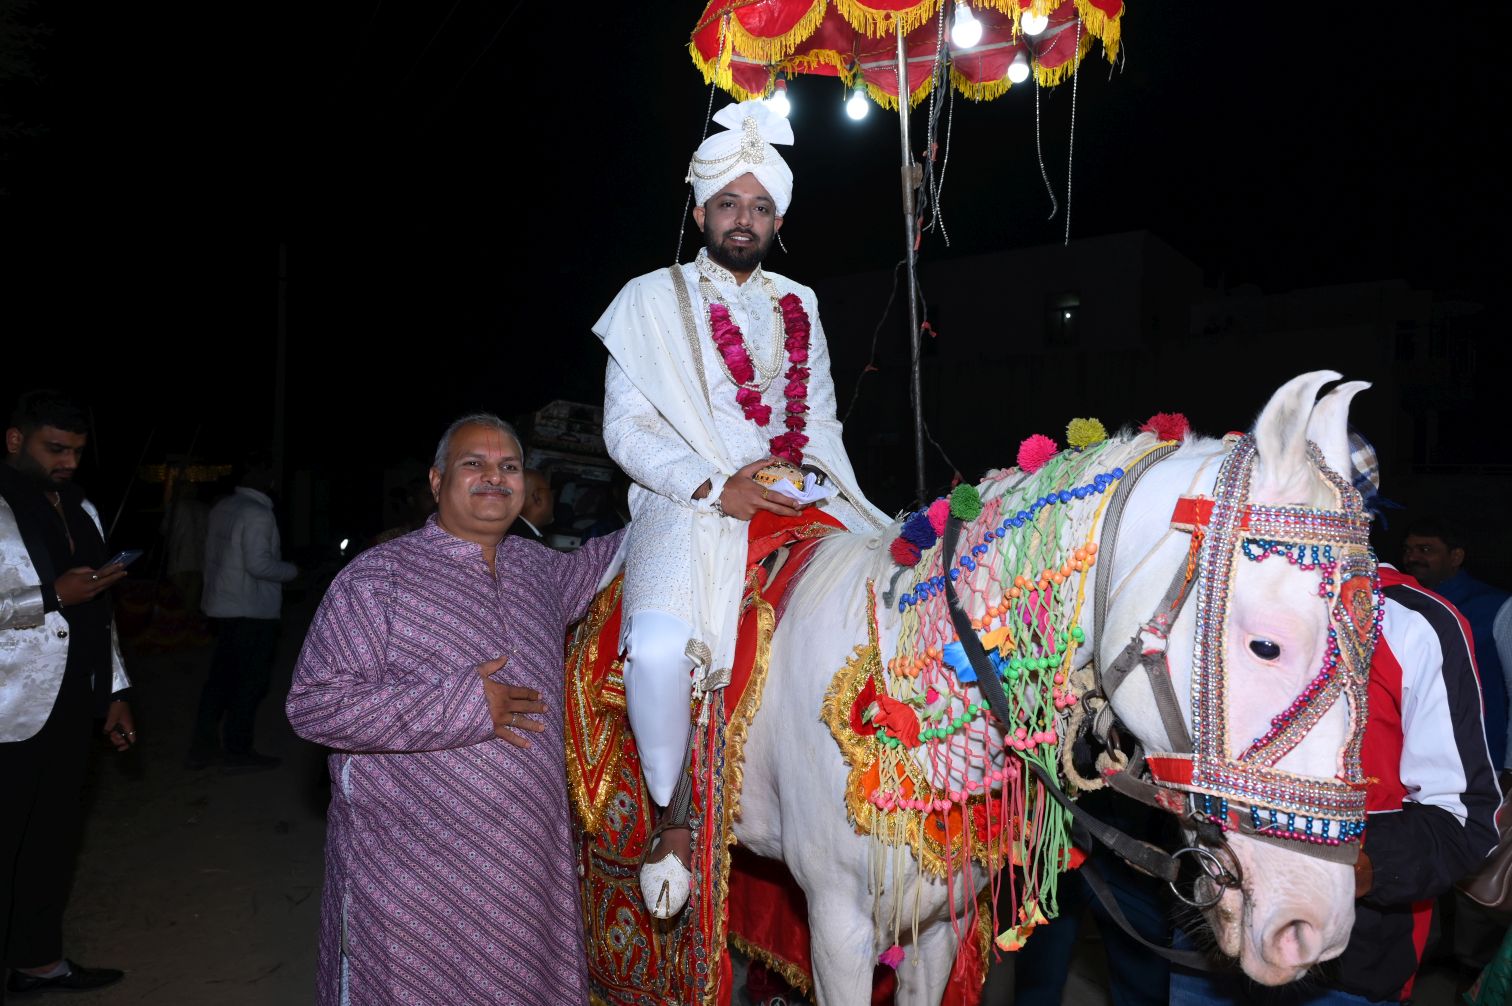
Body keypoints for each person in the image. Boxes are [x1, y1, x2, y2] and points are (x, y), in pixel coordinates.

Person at [593, 97, 889, 917]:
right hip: (684, 497)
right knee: (659, 648)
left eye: (760, 207)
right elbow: (625, 428)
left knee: (887, 582)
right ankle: (672, 817)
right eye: (728, 203)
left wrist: (812, 479)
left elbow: (818, 418)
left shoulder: (801, 302)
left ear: (778, 222)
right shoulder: (649, 298)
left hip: (793, 487)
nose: (744, 219)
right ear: (699, 213)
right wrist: (716, 486)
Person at [285, 413, 623, 1006]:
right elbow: (315, 705)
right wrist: (463, 704)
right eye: (475, 464)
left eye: (509, 466)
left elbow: (620, 550)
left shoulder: (540, 568)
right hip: (413, 872)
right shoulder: (377, 579)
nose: (494, 477)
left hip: (524, 868)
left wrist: (701, 493)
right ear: (438, 481)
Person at [1169, 559, 1502, 1004]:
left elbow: (1463, 821)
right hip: (1208, 932)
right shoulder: (1211, 599)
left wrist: (1358, 863)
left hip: (1342, 962)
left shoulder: (1407, 620)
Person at [1, 390, 134, 996]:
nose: (70, 462)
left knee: (52, 841)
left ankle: (37, 962)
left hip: (73, 699)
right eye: (55, 449)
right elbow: (63, 596)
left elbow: (99, 607)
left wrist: (116, 689)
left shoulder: (82, 507)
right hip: (7, 708)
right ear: (15, 440)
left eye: (77, 451)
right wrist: (52, 596)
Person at [188, 449, 299, 771]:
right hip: (251, 610)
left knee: (220, 680)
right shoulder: (258, 513)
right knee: (250, 683)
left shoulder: (224, 506)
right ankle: (237, 750)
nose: (272, 479)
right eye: (267, 470)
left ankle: (203, 748)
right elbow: (259, 565)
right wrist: (294, 571)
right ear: (255, 473)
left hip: (224, 606)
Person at [1401, 516, 1512, 768]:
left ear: (1456, 556)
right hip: (1413, 757)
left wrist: (1510, 767)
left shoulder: (1497, 606)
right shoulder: (1398, 603)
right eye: (1408, 550)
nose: (1412, 557)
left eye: (1425, 549)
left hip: (1482, 760)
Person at [507, 467, 553, 543]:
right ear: (538, 497)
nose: (552, 496)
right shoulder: (527, 542)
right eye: (549, 491)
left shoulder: (507, 532)